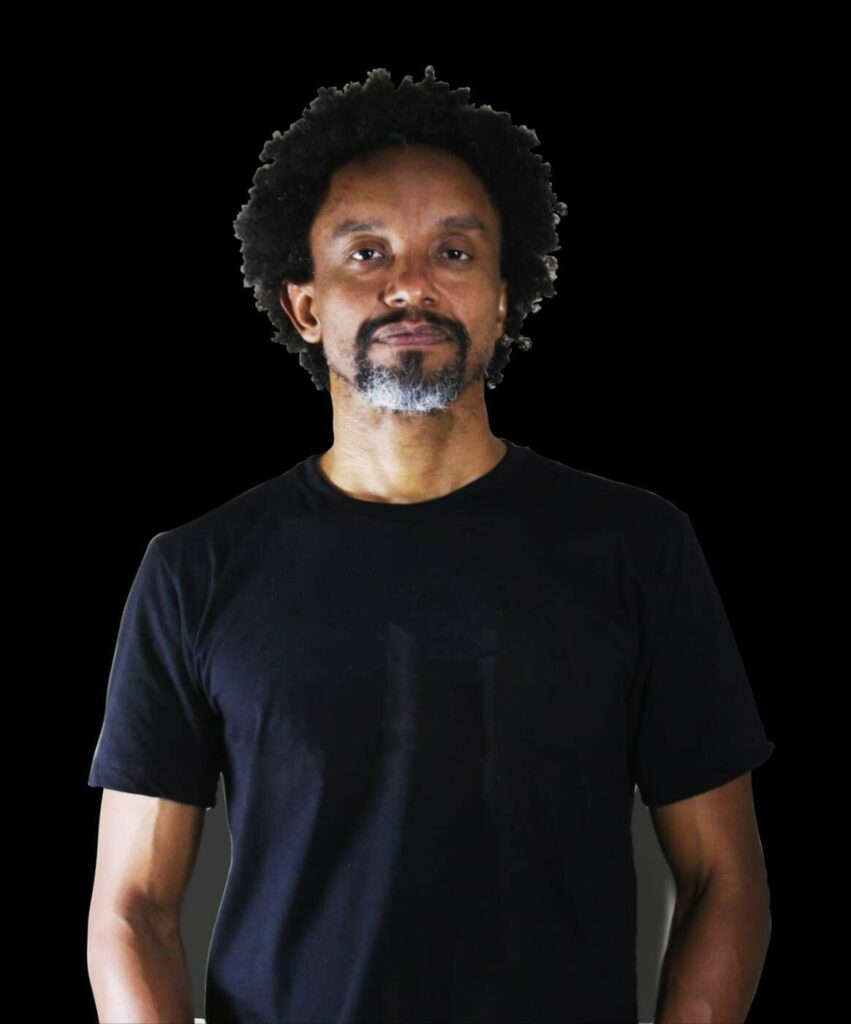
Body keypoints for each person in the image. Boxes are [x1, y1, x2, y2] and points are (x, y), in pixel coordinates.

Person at [86, 66, 774, 1024]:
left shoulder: (637, 548)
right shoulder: (195, 571)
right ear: (305, 305)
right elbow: (132, 908)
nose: (410, 284)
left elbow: (721, 881)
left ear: (502, 295)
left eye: (453, 251)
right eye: (365, 251)